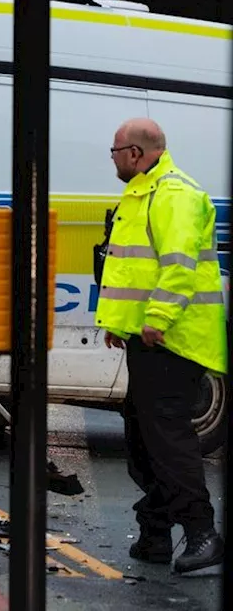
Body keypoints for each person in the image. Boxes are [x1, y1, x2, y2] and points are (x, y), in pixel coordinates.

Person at [96, 117, 225, 574]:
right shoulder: (143, 193)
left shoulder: (172, 194)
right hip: (149, 339)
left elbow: (178, 268)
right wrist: (121, 324)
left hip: (174, 340)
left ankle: (202, 533)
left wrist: (156, 319)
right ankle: (155, 531)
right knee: (142, 439)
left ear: (136, 153)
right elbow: (135, 271)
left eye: (114, 151)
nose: (110, 159)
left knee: (167, 442)